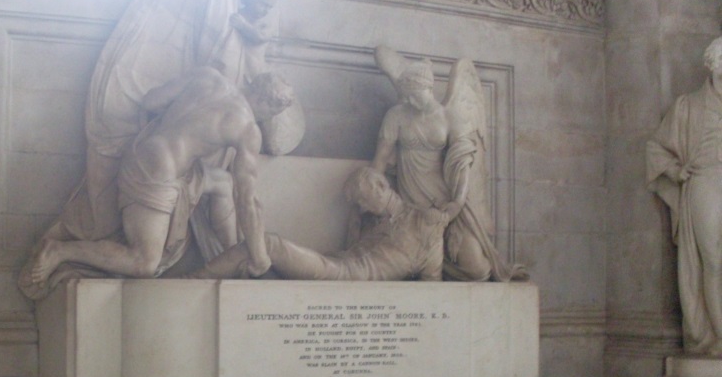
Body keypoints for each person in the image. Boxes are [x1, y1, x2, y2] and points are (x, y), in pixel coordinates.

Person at [21, 66, 293, 291]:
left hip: (145, 151)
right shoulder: (247, 129)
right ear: (268, 104)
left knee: (223, 183)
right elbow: (247, 201)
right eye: (274, 113)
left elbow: (151, 101)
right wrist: (259, 257)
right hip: (157, 174)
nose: (269, 119)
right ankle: (60, 251)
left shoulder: (208, 76)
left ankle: (230, 256)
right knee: (144, 263)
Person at [371, 49, 525, 281]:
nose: (409, 100)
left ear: (428, 88)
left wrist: (457, 203)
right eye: (407, 96)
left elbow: (463, 164)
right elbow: (380, 161)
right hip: (410, 206)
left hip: (444, 203)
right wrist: (373, 196)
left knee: (478, 271)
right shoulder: (396, 115)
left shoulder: (450, 117)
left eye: (414, 95)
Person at [191, 166, 456, 281]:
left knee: (268, 245)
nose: (361, 208)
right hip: (337, 264)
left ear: (381, 186)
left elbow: (431, 284)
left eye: (362, 201)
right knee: (260, 264)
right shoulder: (372, 223)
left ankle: (191, 281)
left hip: (344, 275)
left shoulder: (424, 223)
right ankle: (197, 281)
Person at [647, 36, 722, 355]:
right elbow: (656, 147)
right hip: (706, 180)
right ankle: (716, 332)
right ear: (714, 64)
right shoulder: (688, 106)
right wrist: (677, 171)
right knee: (713, 258)